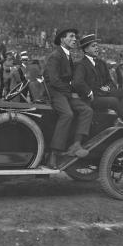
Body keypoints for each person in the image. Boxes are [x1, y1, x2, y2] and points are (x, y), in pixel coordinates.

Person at [43, 28, 93, 169]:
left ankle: (76, 145)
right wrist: (71, 92)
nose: (75, 39)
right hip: (54, 93)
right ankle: (53, 154)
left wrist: (77, 91)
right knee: (67, 114)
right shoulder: (56, 55)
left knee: (87, 110)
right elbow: (53, 81)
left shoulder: (68, 55)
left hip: (64, 93)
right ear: (62, 39)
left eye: (75, 37)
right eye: (71, 37)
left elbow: (70, 80)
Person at [73, 34, 123, 129]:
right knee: (113, 101)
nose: (97, 48)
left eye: (97, 45)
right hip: (90, 98)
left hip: (103, 93)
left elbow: (109, 81)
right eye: (93, 46)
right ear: (86, 50)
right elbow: (77, 82)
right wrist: (89, 92)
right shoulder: (81, 64)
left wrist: (107, 87)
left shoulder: (101, 63)